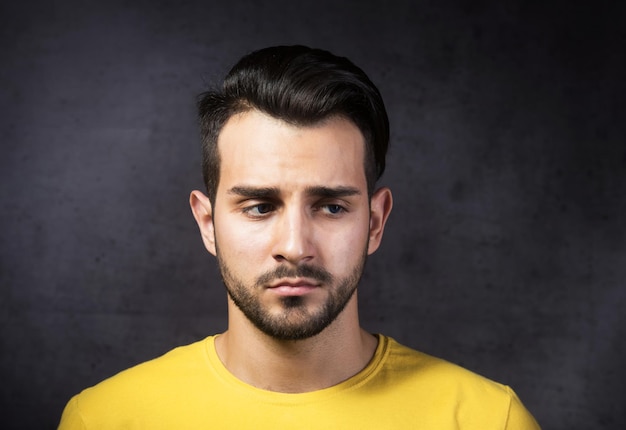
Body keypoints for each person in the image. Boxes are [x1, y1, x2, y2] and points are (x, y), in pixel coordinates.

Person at [59, 45, 540, 429]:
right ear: (207, 224)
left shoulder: (486, 419)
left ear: (375, 222)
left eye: (331, 207)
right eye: (260, 207)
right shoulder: (105, 419)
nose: (295, 245)